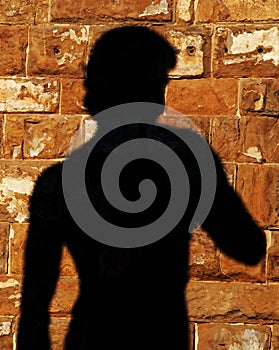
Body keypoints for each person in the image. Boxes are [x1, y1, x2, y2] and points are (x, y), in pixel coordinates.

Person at [17, 26, 266, 349]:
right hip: (159, 337)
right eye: (158, 84)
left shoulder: (57, 183)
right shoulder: (185, 167)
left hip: (91, 338)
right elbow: (247, 246)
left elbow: (34, 310)